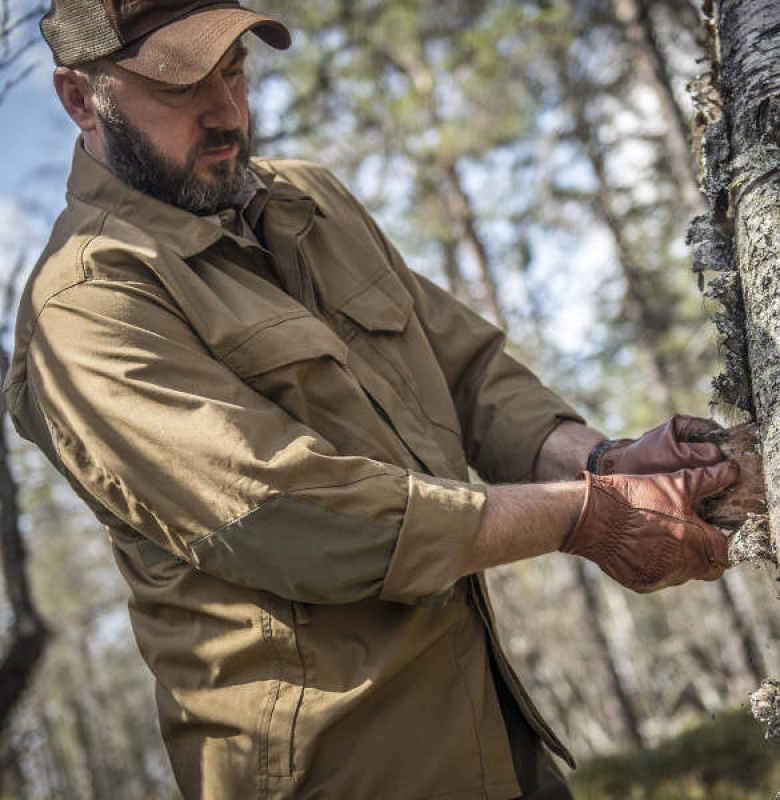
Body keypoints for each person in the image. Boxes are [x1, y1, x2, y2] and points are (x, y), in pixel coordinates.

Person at [5, 2, 738, 798]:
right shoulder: (86, 308)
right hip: (337, 772)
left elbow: (467, 374)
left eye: (236, 70)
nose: (229, 113)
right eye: (182, 86)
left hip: (496, 735)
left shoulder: (309, 200)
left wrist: (598, 459)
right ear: (81, 99)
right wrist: (588, 514)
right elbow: (292, 514)